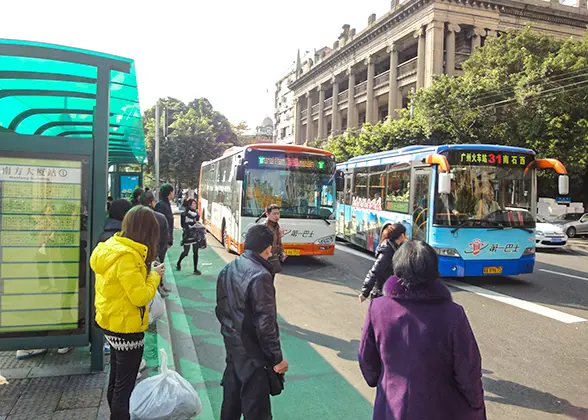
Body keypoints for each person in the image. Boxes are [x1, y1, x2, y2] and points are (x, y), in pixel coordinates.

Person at [359, 240, 486, 420]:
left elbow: (367, 359)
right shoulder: (453, 313)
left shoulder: (377, 309)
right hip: (442, 408)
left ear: (397, 268)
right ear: (434, 271)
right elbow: (468, 368)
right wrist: (476, 403)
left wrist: (383, 381)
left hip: (392, 407)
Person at [90, 206, 164, 420]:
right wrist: (154, 276)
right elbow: (140, 297)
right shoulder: (128, 257)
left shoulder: (113, 246)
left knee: (116, 380)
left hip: (111, 322)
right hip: (126, 328)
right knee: (124, 387)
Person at [216, 224, 288, 420]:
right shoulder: (261, 276)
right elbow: (266, 325)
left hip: (233, 349)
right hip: (254, 357)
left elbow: (220, 310)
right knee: (256, 411)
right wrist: (277, 358)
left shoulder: (229, 268)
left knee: (230, 404)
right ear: (267, 248)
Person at [359, 223, 407, 302]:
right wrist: (365, 292)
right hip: (381, 293)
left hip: (390, 292)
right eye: (406, 234)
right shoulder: (387, 251)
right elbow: (374, 272)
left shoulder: (397, 248)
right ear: (402, 235)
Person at [176, 198, 205, 274]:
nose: (195, 205)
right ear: (189, 205)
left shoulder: (194, 213)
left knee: (196, 252)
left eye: (195, 204)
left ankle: (195, 269)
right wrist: (190, 226)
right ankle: (178, 263)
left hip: (194, 234)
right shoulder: (185, 214)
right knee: (186, 252)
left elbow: (197, 218)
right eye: (193, 204)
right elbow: (182, 225)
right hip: (187, 235)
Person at [139, 191, 169, 264]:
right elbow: (164, 241)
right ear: (151, 202)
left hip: (138, 256)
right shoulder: (161, 218)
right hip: (155, 256)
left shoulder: (133, 217)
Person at [263, 204, 286, 274]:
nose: (277, 216)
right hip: (265, 259)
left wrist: (281, 252)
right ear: (267, 214)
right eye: (274, 214)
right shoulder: (263, 227)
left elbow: (278, 242)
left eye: (278, 213)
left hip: (274, 258)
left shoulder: (277, 227)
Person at [155, 184, 174, 257]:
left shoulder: (165, 204)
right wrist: (168, 240)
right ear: (170, 193)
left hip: (164, 239)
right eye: (172, 192)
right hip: (161, 240)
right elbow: (164, 223)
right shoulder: (162, 205)